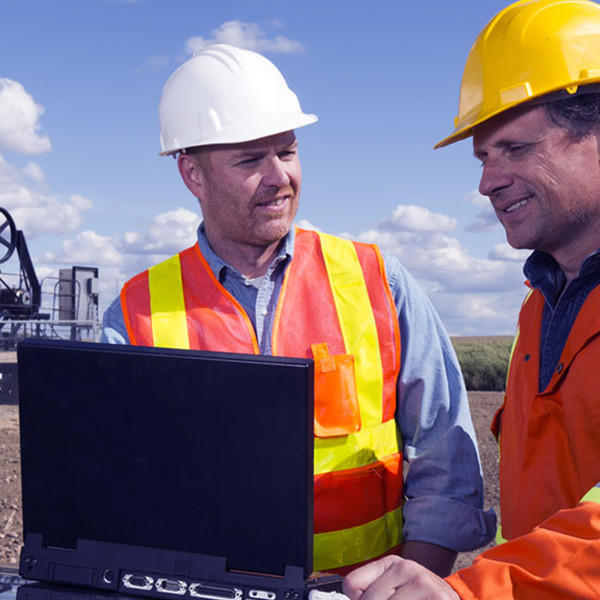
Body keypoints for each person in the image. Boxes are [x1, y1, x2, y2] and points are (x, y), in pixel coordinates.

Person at [102, 43, 494, 577]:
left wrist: (416, 578)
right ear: (192, 175)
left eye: (287, 153)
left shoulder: (378, 280)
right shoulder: (134, 314)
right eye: (250, 160)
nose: (279, 177)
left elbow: (444, 453)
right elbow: (113, 486)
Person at [343, 0, 600, 598]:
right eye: (484, 156)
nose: (487, 181)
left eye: (515, 148)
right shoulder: (541, 306)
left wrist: (474, 592)